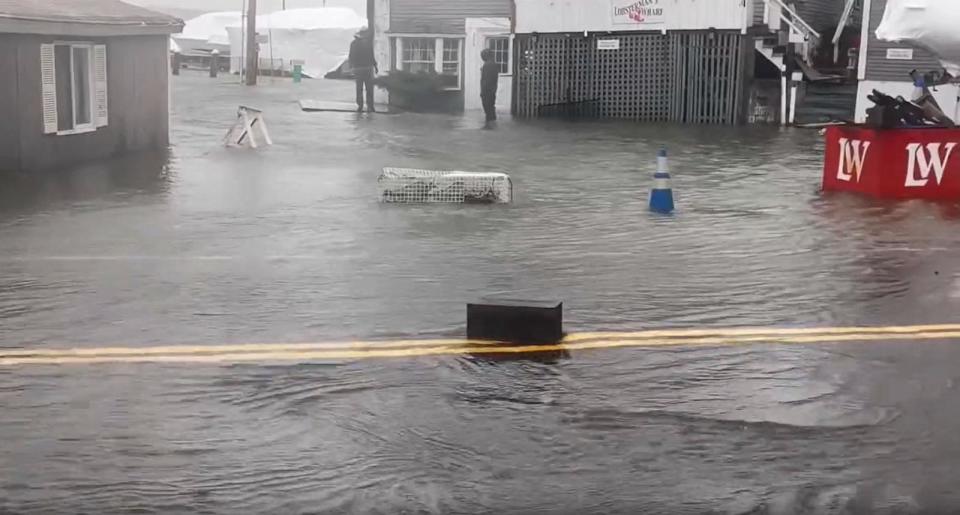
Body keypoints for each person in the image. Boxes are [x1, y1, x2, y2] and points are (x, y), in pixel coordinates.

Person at [349, 29, 378, 113]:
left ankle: (360, 106)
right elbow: (372, 56)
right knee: (369, 88)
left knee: (359, 88)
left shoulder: (353, 44)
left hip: (358, 68)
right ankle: (370, 106)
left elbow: (351, 56)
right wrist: (375, 66)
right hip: (368, 68)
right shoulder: (368, 44)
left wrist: (351, 67)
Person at [480, 48, 499, 128]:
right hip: (492, 89)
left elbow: (486, 79)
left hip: (487, 90)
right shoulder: (493, 64)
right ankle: (490, 124)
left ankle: (490, 124)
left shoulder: (487, 65)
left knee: (487, 106)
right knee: (490, 106)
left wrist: (483, 91)